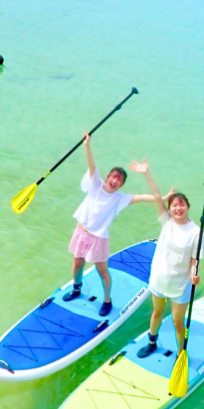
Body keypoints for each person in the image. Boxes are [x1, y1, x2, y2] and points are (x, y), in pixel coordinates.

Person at [62, 133, 157, 316]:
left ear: (121, 184)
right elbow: (92, 165)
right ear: (108, 176)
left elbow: (142, 197)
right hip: (81, 233)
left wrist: (164, 198)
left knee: (102, 271)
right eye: (114, 177)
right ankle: (76, 289)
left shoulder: (120, 198)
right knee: (77, 266)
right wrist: (87, 145)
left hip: (98, 239)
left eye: (119, 180)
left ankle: (107, 300)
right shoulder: (96, 185)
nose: (115, 181)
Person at [128, 160, 202, 358]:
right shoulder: (167, 221)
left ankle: (181, 353)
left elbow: (195, 259)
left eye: (182, 204)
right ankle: (152, 343)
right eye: (174, 205)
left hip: (180, 284)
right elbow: (156, 196)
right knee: (157, 313)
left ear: (188, 207)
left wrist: (195, 274)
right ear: (169, 209)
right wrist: (147, 173)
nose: (178, 208)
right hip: (160, 278)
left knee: (178, 322)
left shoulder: (196, 231)